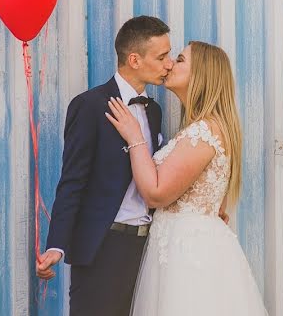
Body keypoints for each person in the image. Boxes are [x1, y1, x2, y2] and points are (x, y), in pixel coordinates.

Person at [105, 41, 267, 314]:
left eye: (179, 60)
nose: (169, 64)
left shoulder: (203, 132)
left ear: (201, 75)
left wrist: (135, 137)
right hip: (177, 250)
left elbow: (156, 193)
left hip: (189, 257)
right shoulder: (201, 129)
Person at [36, 16, 173, 315]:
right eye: (162, 57)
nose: (169, 64)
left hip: (146, 250)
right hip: (102, 248)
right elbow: (73, 179)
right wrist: (56, 245)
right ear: (134, 59)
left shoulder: (154, 112)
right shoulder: (90, 105)